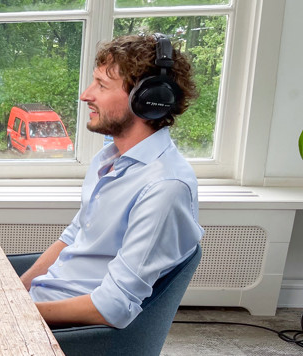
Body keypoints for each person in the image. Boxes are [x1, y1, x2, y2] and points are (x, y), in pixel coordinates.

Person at [19, 33, 202, 329]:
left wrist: (17, 313)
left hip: (67, 330)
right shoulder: (108, 159)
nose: (86, 95)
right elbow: (73, 237)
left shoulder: (164, 188)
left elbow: (112, 307)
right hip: (40, 304)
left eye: (102, 85)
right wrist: (15, 292)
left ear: (148, 99)